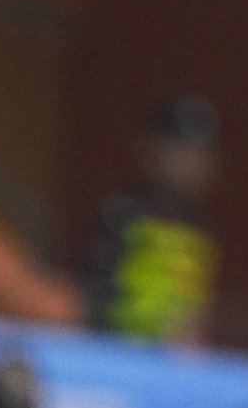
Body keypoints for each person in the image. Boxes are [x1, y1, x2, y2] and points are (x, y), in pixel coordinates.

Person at [82, 93, 221, 346]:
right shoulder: (124, 211)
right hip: (119, 349)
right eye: (180, 148)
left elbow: (197, 300)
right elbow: (93, 291)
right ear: (150, 148)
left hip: (176, 358)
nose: (192, 161)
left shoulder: (198, 223)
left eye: (201, 151)